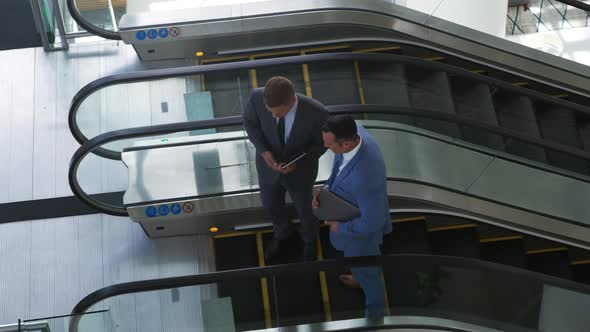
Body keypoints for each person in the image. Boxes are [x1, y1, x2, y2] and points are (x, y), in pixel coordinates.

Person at [314, 115, 392, 320]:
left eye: (329, 144)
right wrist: (324, 191)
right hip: (353, 208)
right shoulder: (355, 129)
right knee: (360, 268)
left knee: (369, 274)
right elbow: (339, 168)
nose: (324, 145)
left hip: (361, 237)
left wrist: (342, 229)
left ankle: (376, 316)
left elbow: (372, 221)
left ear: (346, 143)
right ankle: (359, 277)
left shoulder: (366, 178)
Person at [243, 76, 328, 262]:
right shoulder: (257, 97)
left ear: (291, 101)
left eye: (278, 114)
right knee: (271, 204)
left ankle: (309, 240)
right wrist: (264, 152)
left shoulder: (317, 112)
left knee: (306, 210)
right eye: (270, 112)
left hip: (300, 172)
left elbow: (321, 145)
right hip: (268, 167)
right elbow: (250, 123)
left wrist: (298, 162)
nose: (273, 116)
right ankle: (282, 234)